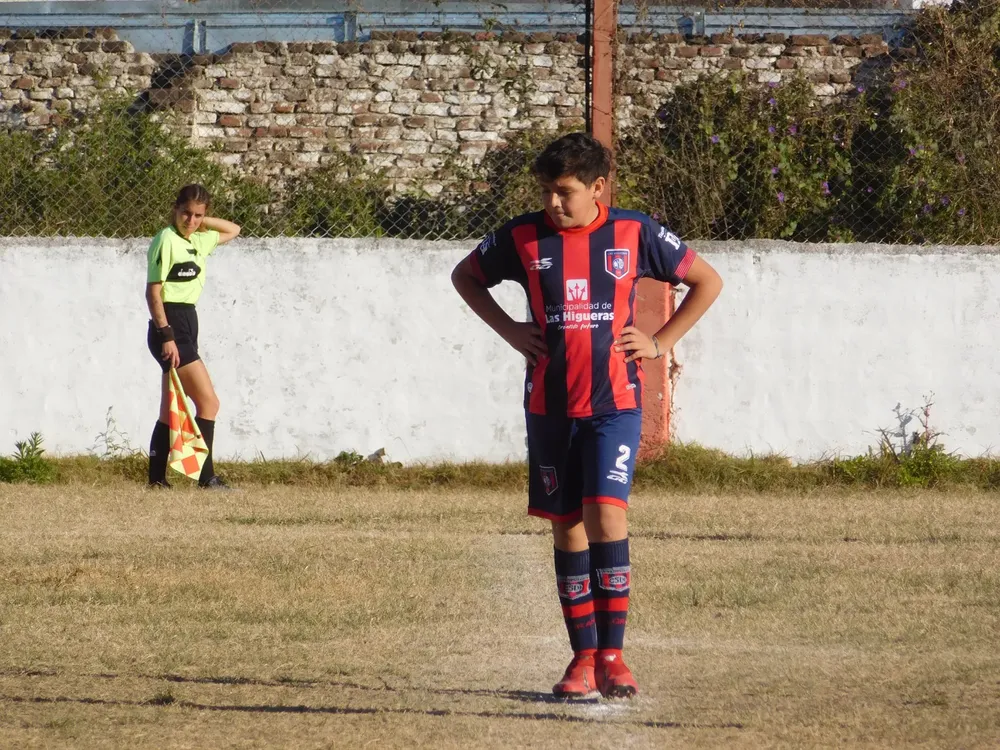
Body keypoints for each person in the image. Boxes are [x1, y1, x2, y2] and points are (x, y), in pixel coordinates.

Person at [451, 133, 723, 699]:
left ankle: (614, 657)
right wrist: (509, 330)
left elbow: (706, 281)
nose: (553, 202)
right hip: (550, 408)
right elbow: (465, 276)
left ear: (598, 188)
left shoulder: (635, 232)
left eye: (565, 192)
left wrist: (659, 341)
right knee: (568, 525)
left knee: (607, 514)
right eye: (547, 191)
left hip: (613, 406)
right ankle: (581, 660)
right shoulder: (522, 236)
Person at [145, 184, 241, 489]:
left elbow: (234, 229)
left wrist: (204, 222)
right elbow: (153, 292)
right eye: (186, 212)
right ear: (175, 209)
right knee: (209, 403)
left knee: (168, 409)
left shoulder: (200, 241)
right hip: (170, 327)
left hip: (188, 323)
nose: (191, 220)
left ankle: (157, 480)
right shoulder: (166, 239)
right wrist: (167, 336)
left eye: (198, 215)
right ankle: (205, 477)